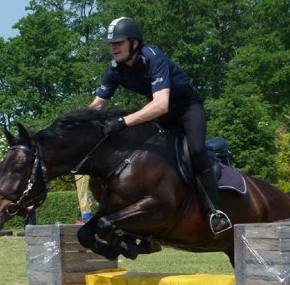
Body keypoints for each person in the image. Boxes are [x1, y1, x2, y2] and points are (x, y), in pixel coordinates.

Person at [87, 17, 232, 234]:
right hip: (161, 113)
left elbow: (161, 104)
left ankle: (214, 212)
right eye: (111, 43)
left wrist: (123, 122)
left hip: (186, 109)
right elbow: (97, 104)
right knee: (143, 154)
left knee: (196, 149)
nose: (113, 47)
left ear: (134, 43)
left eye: (118, 42)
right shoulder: (115, 69)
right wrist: (73, 126)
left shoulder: (153, 58)